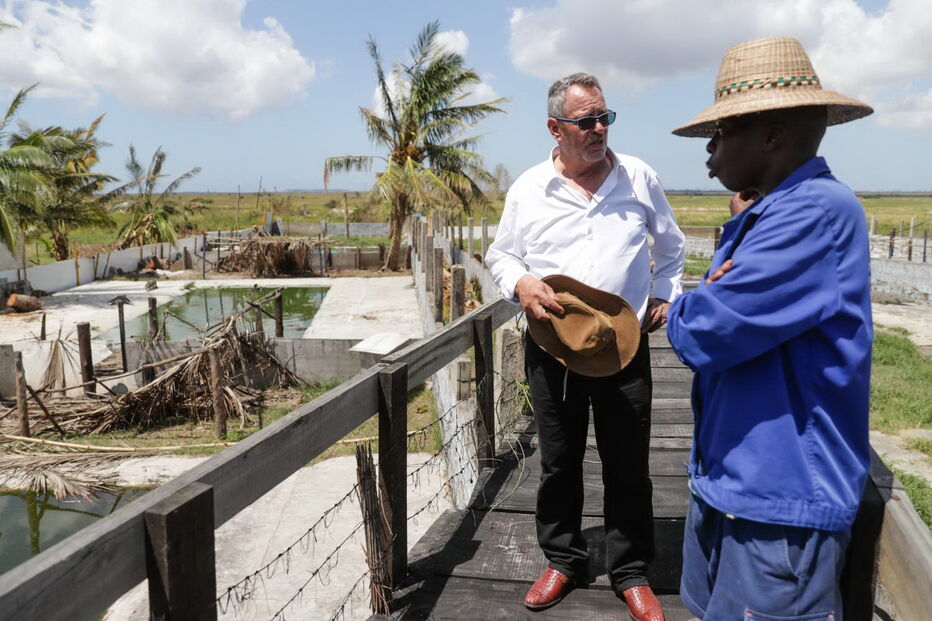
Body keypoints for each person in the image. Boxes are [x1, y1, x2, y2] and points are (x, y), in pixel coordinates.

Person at [666, 37, 874, 620]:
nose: (710, 150)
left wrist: (687, 303)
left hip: (779, 504)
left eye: (721, 132)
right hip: (736, 482)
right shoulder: (773, 212)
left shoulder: (813, 212)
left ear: (772, 136)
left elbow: (703, 333)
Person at [485, 72, 685, 620]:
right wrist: (522, 284)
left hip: (624, 347)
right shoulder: (529, 188)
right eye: (586, 121)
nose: (599, 128)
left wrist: (666, 296)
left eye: (604, 117)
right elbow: (502, 255)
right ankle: (563, 560)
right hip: (554, 349)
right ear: (556, 129)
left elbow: (671, 248)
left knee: (629, 463)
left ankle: (630, 571)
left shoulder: (638, 177)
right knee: (558, 460)